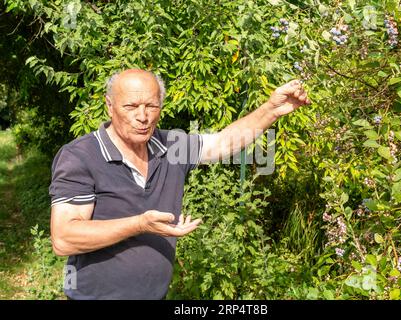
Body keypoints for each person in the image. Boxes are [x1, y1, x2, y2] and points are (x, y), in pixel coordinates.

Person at [49, 69, 310, 300]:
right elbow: (64, 239)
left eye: (152, 106)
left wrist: (271, 110)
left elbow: (224, 143)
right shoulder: (80, 156)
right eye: (131, 106)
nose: (143, 116)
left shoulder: (170, 146)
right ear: (109, 105)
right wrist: (140, 224)